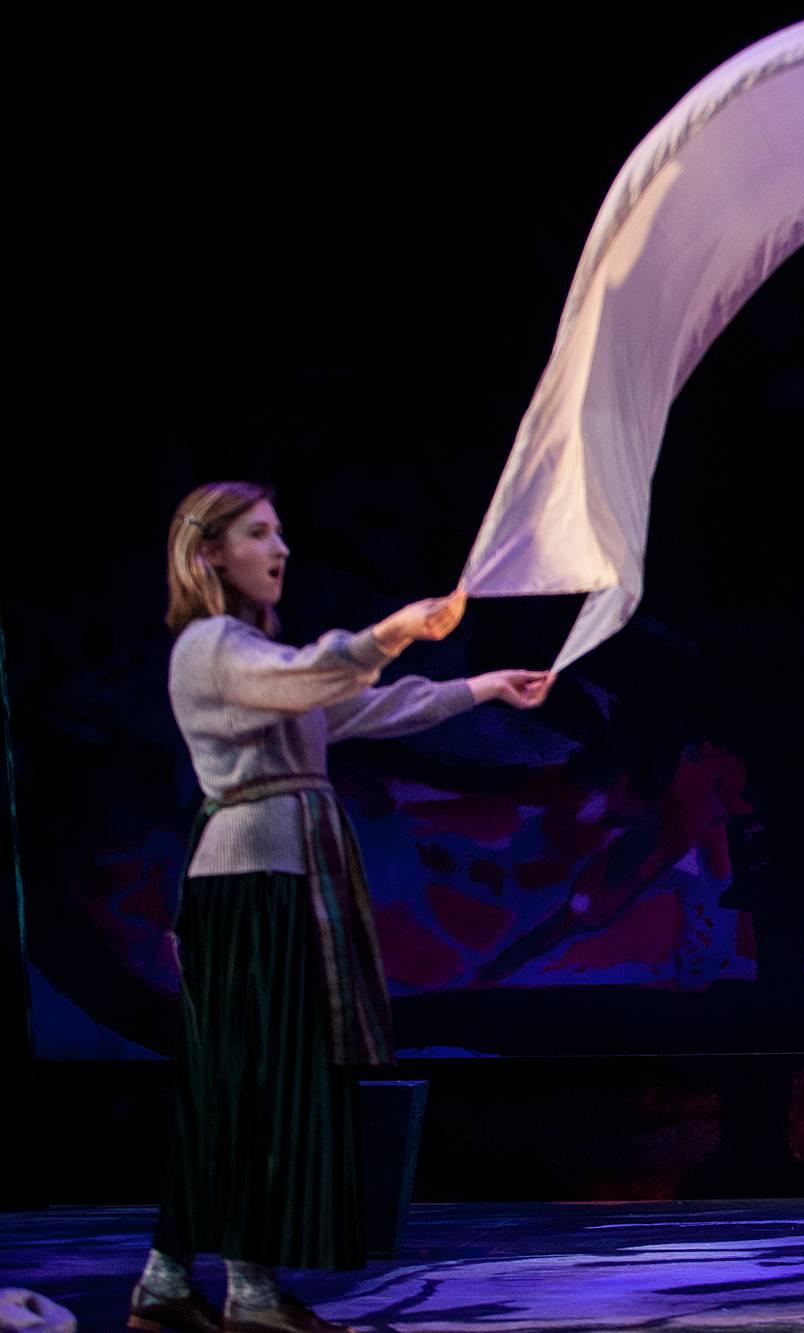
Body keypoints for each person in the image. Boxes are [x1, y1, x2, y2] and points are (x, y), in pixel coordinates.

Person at [131, 481, 553, 1333]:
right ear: (209, 551)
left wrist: (480, 685)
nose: (279, 548)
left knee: (245, 1082)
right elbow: (324, 673)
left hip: (279, 879)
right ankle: (236, 1291)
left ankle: (169, 1281)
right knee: (250, 1082)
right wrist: (396, 629)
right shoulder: (213, 646)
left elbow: (361, 704)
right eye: (258, 533)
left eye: (281, 532)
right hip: (251, 885)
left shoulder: (255, 656)